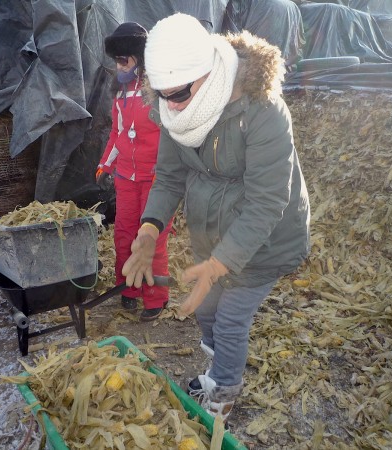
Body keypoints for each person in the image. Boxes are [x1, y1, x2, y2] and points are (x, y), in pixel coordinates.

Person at [122, 13, 310, 422]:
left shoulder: (263, 112)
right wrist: (150, 231)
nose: (170, 105)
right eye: (163, 95)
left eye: (179, 94)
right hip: (215, 232)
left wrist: (221, 263)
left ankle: (224, 390)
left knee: (228, 318)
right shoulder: (174, 109)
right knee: (206, 310)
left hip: (266, 237)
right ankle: (215, 370)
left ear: (207, 74)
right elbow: (170, 178)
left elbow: (266, 202)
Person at [96, 22, 173, 321]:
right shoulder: (120, 94)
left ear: (138, 57)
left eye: (123, 60)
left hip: (155, 178)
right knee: (124, 233)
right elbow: (117, 134)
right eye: (116, 61)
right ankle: (127, 288)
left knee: (152, 237)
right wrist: (105, 164)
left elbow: (170, 136)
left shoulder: (158, 92)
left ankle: (157, 297)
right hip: (126, 178)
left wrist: (165, 171)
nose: (119, 66)